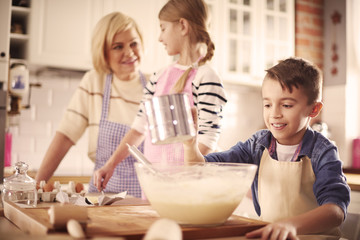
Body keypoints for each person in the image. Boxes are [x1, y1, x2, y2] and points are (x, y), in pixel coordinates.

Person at [183, 57, 351, 239]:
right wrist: (190, 144)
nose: (274, 114)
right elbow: (200, 168)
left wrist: (291, 225)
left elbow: (336, 211)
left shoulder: (322, 151)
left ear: (314, 109)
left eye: (286, 105)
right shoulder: (257, 145)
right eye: (267, 104)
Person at [93, 0, 227, 192]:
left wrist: (181, 177)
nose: (160, 37)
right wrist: (110, 164)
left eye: (163, 28)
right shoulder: (158, 77)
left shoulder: (207, 77)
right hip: (157, 186)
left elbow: (208, 139)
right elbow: (139, 128)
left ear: (182, 26)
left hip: (189, 187)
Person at [35, 12, 149, 197]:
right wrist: (38, 185)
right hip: (100, 197)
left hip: (145, 200)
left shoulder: (155, 86)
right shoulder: (94, 82)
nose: (129, 52)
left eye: (134, 43)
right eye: (118, 47)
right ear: (103, 52)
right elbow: (65, 136)